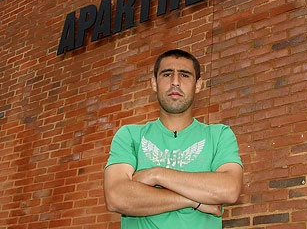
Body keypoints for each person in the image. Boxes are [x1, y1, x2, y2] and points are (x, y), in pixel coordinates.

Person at [104, 49, 243, 228]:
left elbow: (229, 189)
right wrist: (194, 201)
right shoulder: (130, 135)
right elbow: (116, 196)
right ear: (154, 83)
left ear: (198, 85)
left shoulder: (219, 135)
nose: (175, 81)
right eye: (167, 74)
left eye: (184, 75)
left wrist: (156, 174)